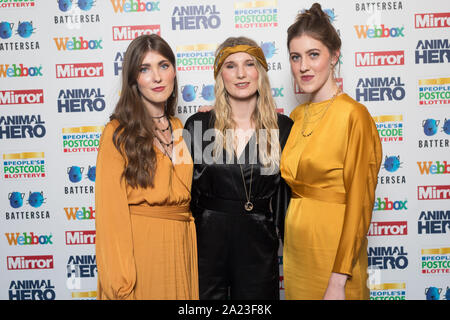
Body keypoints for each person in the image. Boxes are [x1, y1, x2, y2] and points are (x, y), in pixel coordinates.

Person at [280, 3, 382, 300]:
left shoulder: (354, 115)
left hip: (335, 256)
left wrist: (339, 279)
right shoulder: (297, 116)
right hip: (298, 255)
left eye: (314, 55)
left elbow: (359, 204)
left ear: (334, 56)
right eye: (295, 57)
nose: (303, 66)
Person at [184, 36, 293, 300]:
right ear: (220, 74)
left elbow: (286, 199)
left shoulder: (283, 128)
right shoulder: (196, 125)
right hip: (206, 245)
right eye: (231, 65)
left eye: (249, 64)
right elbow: (181, 192)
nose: (241, 74)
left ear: (261, 73)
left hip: (259, 245)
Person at [95, 34, 198, 300]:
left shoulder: (179, 128)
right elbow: (110, 219)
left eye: (163, 65)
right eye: (145, 69)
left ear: (174, 72)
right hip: (142, 254)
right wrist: (121, 284)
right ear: (133, 80)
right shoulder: (117, 133)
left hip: (181, 250)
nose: (157, 77)